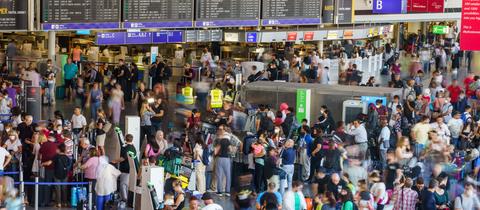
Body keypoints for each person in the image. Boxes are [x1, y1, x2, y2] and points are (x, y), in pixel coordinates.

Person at [214, 124, 232, 196]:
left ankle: (220, 192)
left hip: (220, 158)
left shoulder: (220, 141)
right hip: (227, 159)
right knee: (228, 175)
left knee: (219, 175)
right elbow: (230, 150)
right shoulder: (228, 141)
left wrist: (214, 154)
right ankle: (227, 191)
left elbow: (216, 151)